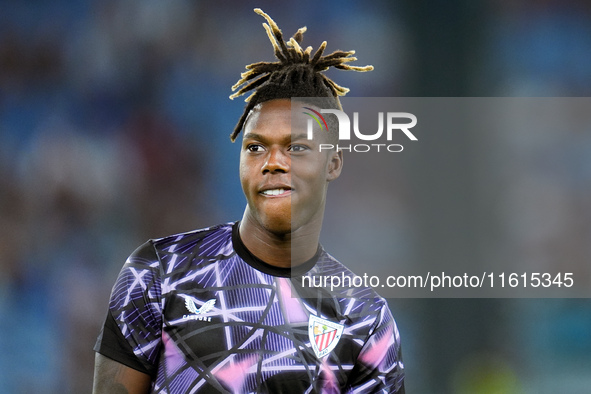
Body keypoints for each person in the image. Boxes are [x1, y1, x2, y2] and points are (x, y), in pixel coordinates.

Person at [93, 8, 405, 393]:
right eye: (256, 147)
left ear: (333, 162)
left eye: (297, 148)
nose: (274, 163)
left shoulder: (365, 318)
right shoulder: (157, 273)